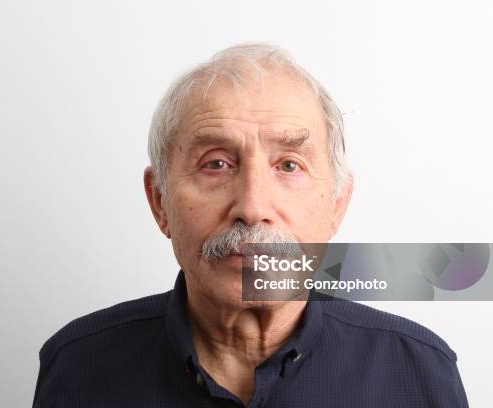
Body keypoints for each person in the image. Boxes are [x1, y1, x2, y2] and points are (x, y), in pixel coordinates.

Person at [32, 43, 468, 407]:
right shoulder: (78, 366)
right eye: (217, 164)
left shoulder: (419, 371)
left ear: (337, 204)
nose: (253, 206)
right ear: (159, 200)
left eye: (289, 165)